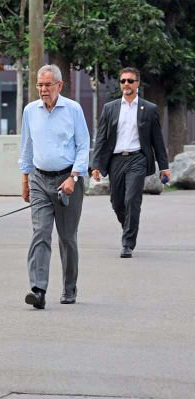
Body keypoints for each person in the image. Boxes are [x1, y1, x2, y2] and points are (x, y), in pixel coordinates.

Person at [18, 64, 90, 309]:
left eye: (48, 84)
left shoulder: (73, 110)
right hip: (39, 179)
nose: (43, 89)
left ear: (60, 85)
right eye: (39, 85)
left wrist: (74, 177)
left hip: (67, 180)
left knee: (67, 237)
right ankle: (38, 289)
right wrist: (25, 180)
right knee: (40, 232)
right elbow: (26, 146)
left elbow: (83, 145)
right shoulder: (30, 111)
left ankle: (69, 288)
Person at [92, 67, 170, 258]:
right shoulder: (110, 108)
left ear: (137, 84)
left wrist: (164, 167)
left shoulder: (149, 109)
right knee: (117, 203)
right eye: (123, 81)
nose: (126, 84)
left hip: (138, 158)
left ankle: (127, 243)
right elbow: (101, 138)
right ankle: (129, 225)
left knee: (132, 200)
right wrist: (95, 165)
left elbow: (157, 140)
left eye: (130, 81)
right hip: (115, 161)